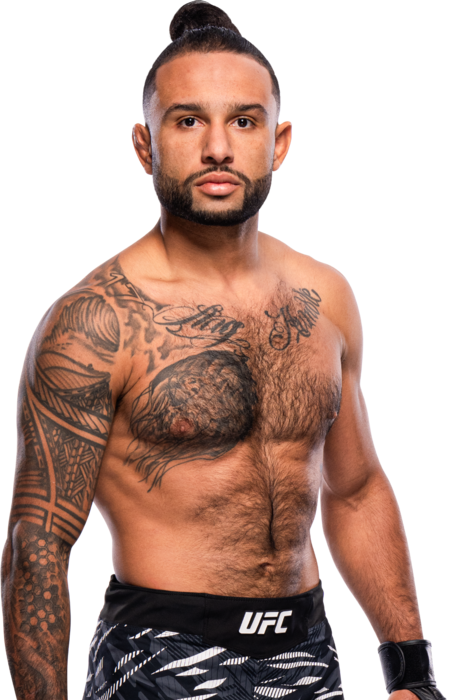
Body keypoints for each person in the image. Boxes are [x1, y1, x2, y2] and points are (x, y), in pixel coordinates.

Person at [2, 2, 446, 699]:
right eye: (188, 121)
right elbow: (38, 542)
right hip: (162, 658)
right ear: (145, 146)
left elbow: (356, 490)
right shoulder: (94, 321)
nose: (218, 147)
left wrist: (411, 670)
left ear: (279, 142)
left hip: (308, 655)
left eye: (243, 121)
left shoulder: (325, 296)